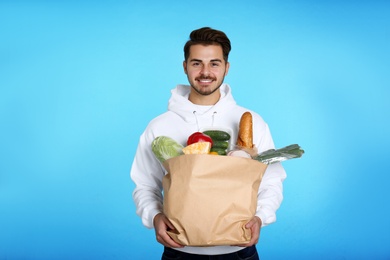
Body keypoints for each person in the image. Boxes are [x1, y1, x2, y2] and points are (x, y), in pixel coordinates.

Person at [130, 27, 286, 259]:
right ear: (185, 67)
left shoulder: (252, 121)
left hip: (239, 250)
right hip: (180, 250)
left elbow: (271, 180)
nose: (205, 72)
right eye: (196, 63)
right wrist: (155, 216)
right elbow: (145, 184)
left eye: (214, 63)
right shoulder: (160, 126)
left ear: (226, 67)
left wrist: (260, 216)